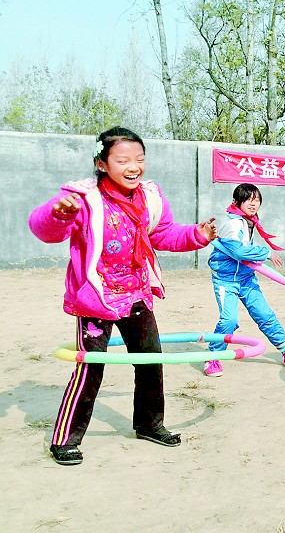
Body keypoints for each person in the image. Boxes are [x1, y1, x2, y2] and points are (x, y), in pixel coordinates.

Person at [28, 127, 218, 466]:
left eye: (140, 159)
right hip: (96, 298)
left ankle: (149, 424)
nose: (134, 167)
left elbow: (163, 234)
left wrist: (196, 235)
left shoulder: (149, 197)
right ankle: (66, 439)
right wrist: (59, 213)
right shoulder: (83, 199)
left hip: (137, 294)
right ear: (102, 163)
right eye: (123, 160)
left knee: (150, 360)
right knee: (91, 367)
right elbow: (44, 231)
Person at [204, 183, 285, 377]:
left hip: (247, 278)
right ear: (236, 202)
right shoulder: (232, 224)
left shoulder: (249, 222)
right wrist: (265, 252)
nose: (253, 204)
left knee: (265, 315)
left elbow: (244, 248)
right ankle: (213, 356)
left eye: (256, 200)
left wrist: (257, 254)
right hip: (226, 280)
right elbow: (238, 252)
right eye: (248, 199)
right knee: (229, 320)